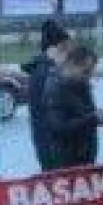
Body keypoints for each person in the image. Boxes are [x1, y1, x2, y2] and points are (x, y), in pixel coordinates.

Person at [40, 42, 103, 169]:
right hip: (66, 162)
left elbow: (83, 113)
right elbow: (58, 127)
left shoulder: (81, 85)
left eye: (91, 72)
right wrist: (93, 119)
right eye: (86, 72)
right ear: (71, 65)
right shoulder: (55, 89)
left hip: (83, 157)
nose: (89, 77)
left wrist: (98, 115)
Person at [24, 19, 71, 167]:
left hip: (47, 146)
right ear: (59, 47)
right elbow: (54, 116)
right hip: (54, 149)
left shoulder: (40, 70)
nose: (68, 56)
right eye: (67, 50)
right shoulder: (47, 74)